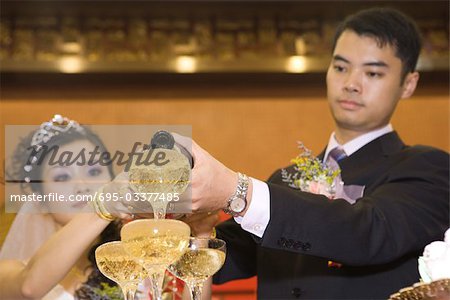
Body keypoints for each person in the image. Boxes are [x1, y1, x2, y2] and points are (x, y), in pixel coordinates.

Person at [175, 7, 450, 299]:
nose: (351, 84)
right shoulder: (285, 179)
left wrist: (237, 191)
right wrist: (191, 228)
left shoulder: (429, 169)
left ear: (408, 83)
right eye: (341, 67)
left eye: (372, 72)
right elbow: (223, 261)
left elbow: (368, 232)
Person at [0, 115, 137, 299]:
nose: (82, 185)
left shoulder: (143, 257)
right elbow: (28, 288)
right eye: (62, 177)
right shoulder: (9, 272)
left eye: (94, 171)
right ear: (41, 201)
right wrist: (101, 205)